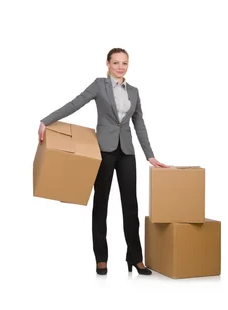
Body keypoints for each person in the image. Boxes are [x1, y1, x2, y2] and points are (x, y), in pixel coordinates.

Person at [39, 47, 168, 276]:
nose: (120, 67)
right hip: (105, 150)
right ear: (107, 64)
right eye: (116, 62)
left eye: (124, 63)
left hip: (127, 152)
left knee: (131, 206)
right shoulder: (99, 85)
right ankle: (101, 258)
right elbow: (75, 103)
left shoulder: (135, 92)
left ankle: (135, 257)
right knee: (101, 204)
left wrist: (149, 154)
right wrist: (46, 120)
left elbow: (139, 124)